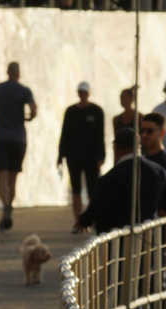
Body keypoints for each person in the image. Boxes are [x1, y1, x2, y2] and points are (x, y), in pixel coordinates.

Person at [78, 128, 166, 233]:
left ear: (116, 147)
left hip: (117, 237)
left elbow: (97, 204)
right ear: (139, 146)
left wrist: (84, 221)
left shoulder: (110, 177)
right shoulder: (157, 170)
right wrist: (165, 210)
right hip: (149, 232)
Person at [0, 61, 37, 232]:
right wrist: (27, 118)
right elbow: (34, 110)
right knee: (13, 178)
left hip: (0, 136)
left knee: (2, 175)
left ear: (7, 72)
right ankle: (9, 204)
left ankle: (5, 206)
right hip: (18, 138)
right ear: (18, 73)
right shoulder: (25, 90)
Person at [57, 81, 106, 232]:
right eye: (80, 92)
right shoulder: (71, 111)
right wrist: (60, 154)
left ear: (88, 93)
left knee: (93, 190)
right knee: (76, 189)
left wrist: (101, 156)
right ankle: (78, 222)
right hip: (74, 156)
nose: (82, 95)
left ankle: (92, 220)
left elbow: (100, 135)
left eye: (84, 92)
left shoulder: (97, 111)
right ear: (78, 93)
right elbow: (64, 133)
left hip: (91, 157)